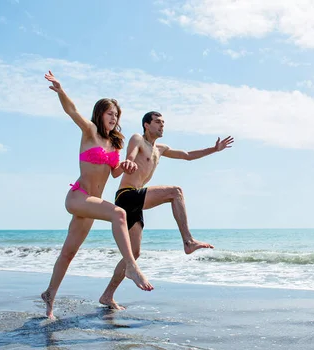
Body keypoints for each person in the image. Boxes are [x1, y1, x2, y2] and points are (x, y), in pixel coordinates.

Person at [40, 71, 154, 320]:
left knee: (68, 253)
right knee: (118, 212)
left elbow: (112, 173)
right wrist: (61, 91)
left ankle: (49, 295)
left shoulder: (115, 144)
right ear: (100, 113)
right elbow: (72, 111)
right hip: (78, 197)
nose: (113, 118)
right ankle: (132, 267)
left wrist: (124, 166)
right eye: (109, 113)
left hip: (90, 204)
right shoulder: (90, 131)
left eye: (116, 115)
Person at [98, 111, 234, 309]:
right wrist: (127, 162)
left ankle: (107, 295)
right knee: (175, 192)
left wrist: (214, 149)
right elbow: (131, 154)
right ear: (146, 124)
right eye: (158, 122)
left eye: (163, 123)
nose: (162, 126)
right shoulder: (138, 138)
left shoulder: (160, 149)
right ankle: (188, 241)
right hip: (127, 195)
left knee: (133, 254)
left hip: (137, 200)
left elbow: (187, 156)